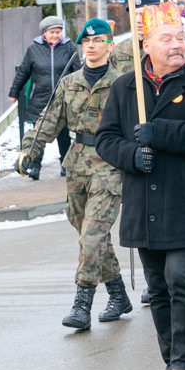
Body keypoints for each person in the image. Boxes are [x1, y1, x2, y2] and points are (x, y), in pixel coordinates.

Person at [95, 1, 185, 370]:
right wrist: (131, 155)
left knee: (180, 277)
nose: (177, 45)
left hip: (183, 198)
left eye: (180, 37)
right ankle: (173, 363)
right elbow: (106, 139)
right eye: (165, 38)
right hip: (143, 202)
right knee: (157, 285)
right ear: (145, 44)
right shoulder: (125, 86)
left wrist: (161, 132)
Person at [15, 18, 130, 330]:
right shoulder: (69, 83)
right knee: (87, 233)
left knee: (92, 234)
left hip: (110, 163)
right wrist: (29, 150)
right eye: (86, 42)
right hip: (77, 163)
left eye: (98, 40)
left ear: (110, 45)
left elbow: (136, 127)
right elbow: (48, 120)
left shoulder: (124, 83)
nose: (91, 45)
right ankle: (118, 292)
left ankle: (82, 303)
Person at [7, 15, 80, 180]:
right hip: (39, 99)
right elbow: (23, 72)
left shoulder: (69, 47)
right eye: (52, 32)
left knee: (63, 134)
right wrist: (13, 92)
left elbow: (78, 71)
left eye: (58, 32)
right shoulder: (34, 49)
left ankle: (65, 165)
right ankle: (34, 167)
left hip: (63, 99)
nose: (55, 35)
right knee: (38, 133)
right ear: (44, 33)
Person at [112, 0, 161, 74]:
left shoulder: (166, 47)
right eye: (135, 15)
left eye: (143, 14)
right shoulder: (119, 50)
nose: (138, 20)